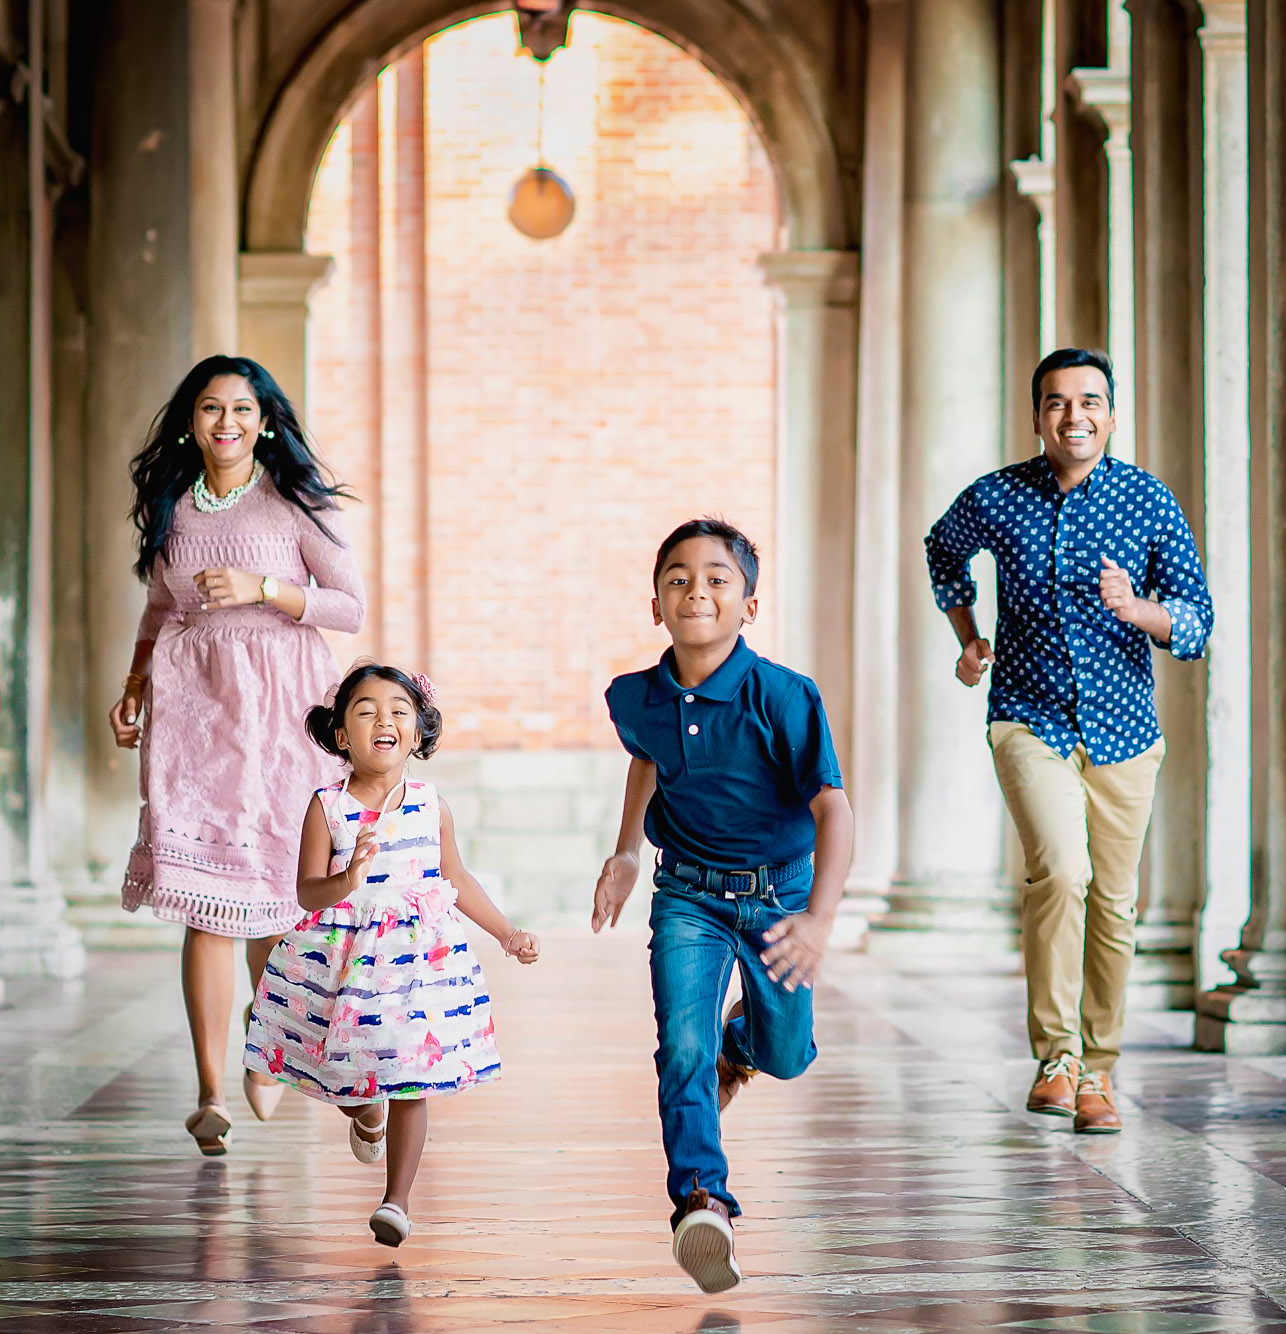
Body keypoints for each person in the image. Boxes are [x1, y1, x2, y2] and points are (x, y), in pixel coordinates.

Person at [925, 348, 1212, 1134]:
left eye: (1090, 402)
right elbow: (942, 548)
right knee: (1061, 870)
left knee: (1115, 904)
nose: (1074, 416)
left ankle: (1099, 1070)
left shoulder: (1149, 502)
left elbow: (1196, 621)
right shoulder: (999, 496)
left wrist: (1139, 610)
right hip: (1028, 718)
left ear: (1112, 417)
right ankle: (1056, 1056)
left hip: (1124, 733)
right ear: (1037, 417)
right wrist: (969, 635)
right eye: (1057, 403)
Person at [110, 354, 365, 1156]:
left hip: (284, 713)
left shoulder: (295, 501)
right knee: (204, 902)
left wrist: (263, 590)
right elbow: (159, 607)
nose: (227, 423)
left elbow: (349, 607)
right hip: (195, 718)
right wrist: (134, 686)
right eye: (212, 409)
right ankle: (210, 1091)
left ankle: (276, 1038)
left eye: (242, 410)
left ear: (265, 421)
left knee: (277, 897)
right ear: (190, 421)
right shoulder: (171, 506)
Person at [591, 518, 854, 1294]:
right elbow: (649, 756)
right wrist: (628, 851)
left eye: (716, 578)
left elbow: (834, 810)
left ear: (749, 605)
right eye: (677, 578)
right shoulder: (631, 696)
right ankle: (701, 1200)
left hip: (781, 895)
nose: (695, 591)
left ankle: (744, 1048)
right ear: (655, 605)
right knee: (681, 1043)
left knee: (784, 1054)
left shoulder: (783, 696)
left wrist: (820, 919)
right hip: (689, 896)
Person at [246, 663, 539, 1248]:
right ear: (341, 736)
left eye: (399, 710)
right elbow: (306, 891)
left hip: (419, 961)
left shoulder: (432, 805)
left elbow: (456, 878)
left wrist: (506, 932)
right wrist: (347, 879)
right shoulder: (327, 806)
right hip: (345, 955)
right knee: (337, 1064)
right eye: (366, 710)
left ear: (416, 732)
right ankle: (364, 1113)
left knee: (412, 1072)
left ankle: (396, 1201)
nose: (385, 719)